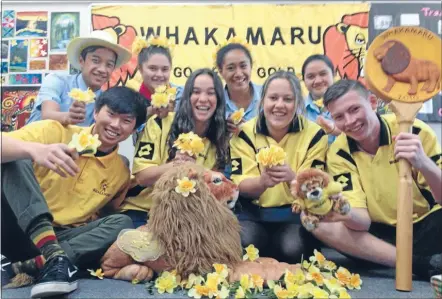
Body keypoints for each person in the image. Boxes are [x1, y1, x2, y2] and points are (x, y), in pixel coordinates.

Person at [1, 86, 147, 298]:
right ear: (96, 112)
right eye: (111, 114)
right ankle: (53, 256)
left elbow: (106, 215)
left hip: (62, 237)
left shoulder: (121, 172)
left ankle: (38, 264)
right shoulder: (55, 131)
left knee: (122, 223)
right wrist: (34, 150)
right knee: (15, 157)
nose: (116, 124)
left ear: (134, 129)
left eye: (126, 120)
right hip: (16, 227)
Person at [313, 79, 441, 279]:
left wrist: (423, 162)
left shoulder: (414, 130)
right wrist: (340, 212)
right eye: (339, 116)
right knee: (318, 223)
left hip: (429, 225)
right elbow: (361, 222)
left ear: (372, 102)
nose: (349, 121)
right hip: (380, 237)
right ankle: (419, 265)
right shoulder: (339, 152)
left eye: (354, 109)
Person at [229, 71, 328, 263]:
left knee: (292, 249)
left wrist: (293, 178)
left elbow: (316, 189)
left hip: (294, 215)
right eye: (273, 98)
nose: (279, 105)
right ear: (262, 100)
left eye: (288, 99)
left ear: (298, 103)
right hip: (253, 214)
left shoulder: (316, 134)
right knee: (246, 243)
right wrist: (262, 182)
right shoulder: (244, 134)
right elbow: (240, 186)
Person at [120, 68, 229, 228]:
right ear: (186, 97)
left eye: (211, 93)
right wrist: (177, 165)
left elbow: (212, 191)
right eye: (196, 92)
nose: (203, 99)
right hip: (143, 210)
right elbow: (143, 177)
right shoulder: (160, 123)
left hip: (186, 216)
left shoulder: (220, 137)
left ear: (219, 99)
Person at [26, 29, 132, 126]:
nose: (102, 69)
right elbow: (47, 115)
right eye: (96, 61)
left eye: (109, 64)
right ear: (81, 61)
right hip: (32, 144)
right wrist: (68, 117)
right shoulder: (56, 80)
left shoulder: (104, 101)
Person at [131, 36, 183, 144]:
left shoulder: (182, 96)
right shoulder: (133, 101)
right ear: (140, 68)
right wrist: (148, 113)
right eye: (152, 68)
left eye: (165, 69)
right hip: (145, 159)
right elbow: (131, 134)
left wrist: (174, 115)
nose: (159, 74)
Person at [214, 38, 261, 133]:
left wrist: (249, 131)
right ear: (220, 71)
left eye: (243, 66)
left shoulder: (268, 95)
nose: (239, 74)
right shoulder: (214, 103)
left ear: (251, 66)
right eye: (231, 68)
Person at [301, 54, 341, 143]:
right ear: (304, 80)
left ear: (334, 74)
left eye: (323, 74)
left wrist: (335, 130)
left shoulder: (348, 106)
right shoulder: (297, 111)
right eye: (311, 76)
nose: (318, 81)